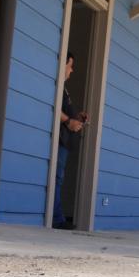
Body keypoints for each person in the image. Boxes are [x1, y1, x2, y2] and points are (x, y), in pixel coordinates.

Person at [53, 52, 88, 230]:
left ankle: (57, 217)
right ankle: (56, 220)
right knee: (56, 178)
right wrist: (69, 121)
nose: (72, 70)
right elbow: (52, 106)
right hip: (59, 141)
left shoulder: (63, 88)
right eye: (70, 65)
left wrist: (78, 117)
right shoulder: (56, 85)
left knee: (59, 178)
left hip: (65, 142)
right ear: (63, 64)